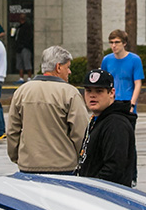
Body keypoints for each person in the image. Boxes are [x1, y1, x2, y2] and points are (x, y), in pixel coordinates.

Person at [5, 45, 88, 181]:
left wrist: (18, 157)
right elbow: (81, 133)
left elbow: (12, 131)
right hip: (63, 167)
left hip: (28, 166)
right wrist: (82, 159)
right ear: (58, 67)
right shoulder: (70, 93)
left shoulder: (21, 92)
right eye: (68, 67)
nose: (70, 72)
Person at [76, 69, 136, 185]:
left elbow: (114, 168)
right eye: (88, 90)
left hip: (105, 192)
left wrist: (91, 187)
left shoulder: (116, 123)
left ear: (111, 93)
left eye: (99, 91)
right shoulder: (97, 119)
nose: (92, 95)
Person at [101, 30, 144, 112]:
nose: (114, 45)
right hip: (110, 102)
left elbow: (138, 83)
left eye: (117, 42)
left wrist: (132, 104)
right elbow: (103, 82)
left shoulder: (135, 59)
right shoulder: (106, 60)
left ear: (124, 43)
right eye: (111, 42)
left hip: (127, 102)